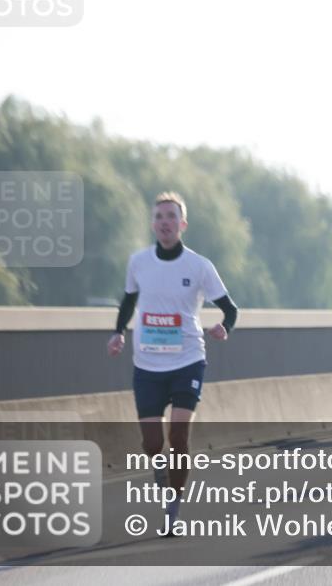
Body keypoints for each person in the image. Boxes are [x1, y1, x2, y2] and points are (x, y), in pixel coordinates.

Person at [106, 192, 238, 533]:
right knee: (152, 444)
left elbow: (230, 308)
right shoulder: (139, 262)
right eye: (159, 217)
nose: (165, 222)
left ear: (182, 224)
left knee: (178, 436)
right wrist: (118, 332)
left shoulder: (199, 266)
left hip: (187, 360)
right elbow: (128, 301)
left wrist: (225, 327)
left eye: (171, 217)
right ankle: (161, 471)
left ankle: (173, 509)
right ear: (153, 224)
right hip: (147, 365)